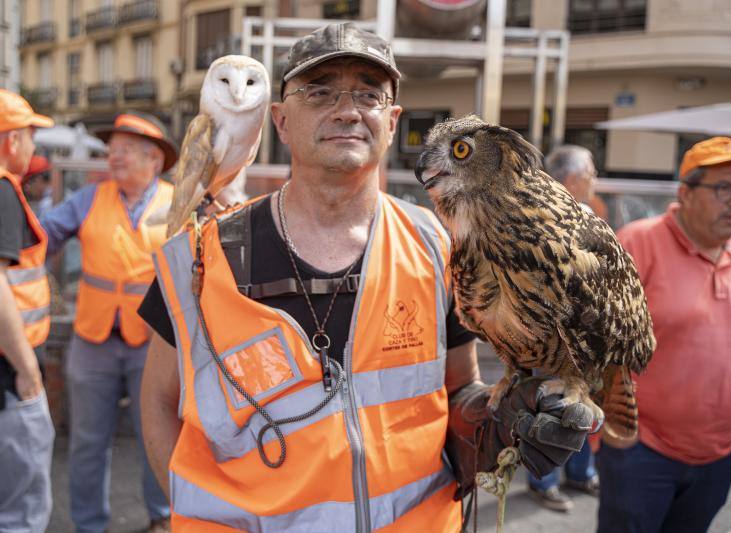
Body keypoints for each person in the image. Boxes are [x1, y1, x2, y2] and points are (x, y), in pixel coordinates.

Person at [137, 22, 591, 531]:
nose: (347, 109)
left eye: (369, 95)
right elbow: (158, 400)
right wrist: (197, 507)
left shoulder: (442, 247)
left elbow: (461, 389)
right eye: (320, 92)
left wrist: (505, 419)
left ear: (392, 120)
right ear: (281, 121)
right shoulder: (202, 256)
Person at [597, 136, 731, 533]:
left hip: (722, 452)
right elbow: (598, 341)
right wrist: (616, 427)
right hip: (643, 451)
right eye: (724, 188)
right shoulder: (637, 242)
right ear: (685, 193)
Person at [39, 112, 176, 533]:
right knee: (86, 443)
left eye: (126, 151)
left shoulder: (176, 202)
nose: (114, 158)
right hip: (92, 339)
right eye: (112, 150)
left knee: (160, 437)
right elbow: (42, 237)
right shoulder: (89, 198)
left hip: (154, 345)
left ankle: (162, 518)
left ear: (154, 160)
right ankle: (88, 525)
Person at [525, 144, 601, 512]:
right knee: (552, 407)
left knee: (585, 402)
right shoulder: (540, 215)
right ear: (572, 179)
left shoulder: (584, 213)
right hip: (553, 334)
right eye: (590, 173)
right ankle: (544, 479)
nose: (595, 180)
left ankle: (581, 473)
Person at [0, 89, 55, 532]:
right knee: (19, 508)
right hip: (8, 372)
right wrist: (27, 371)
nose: (34, 148)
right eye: (30, 136)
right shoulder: (2, 190)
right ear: (11, 141)